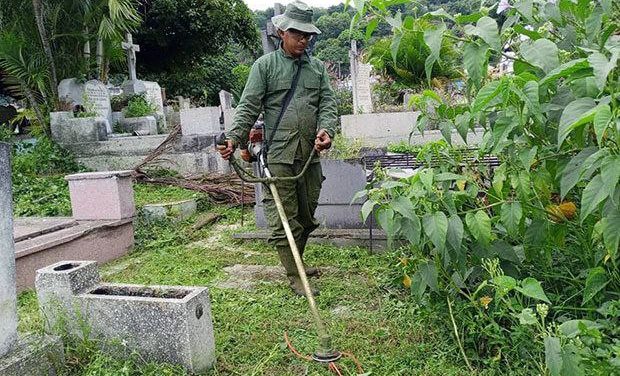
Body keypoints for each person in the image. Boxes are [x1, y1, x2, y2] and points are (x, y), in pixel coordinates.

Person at [217, 1, 337, 296]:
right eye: (297, 33)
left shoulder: (317, 68)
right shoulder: (265, 67)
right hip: (280, 156)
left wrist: (327, 130)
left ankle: (297, 262)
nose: (303, 39)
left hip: (309, 154)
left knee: (307, 218)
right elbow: (248, 107)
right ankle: (296, 276)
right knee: (285, 220)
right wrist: (234, 138)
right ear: (282, 31)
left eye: (307, 34)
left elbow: (328, 104)